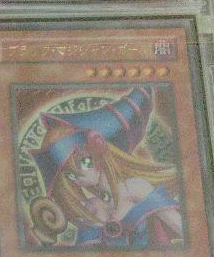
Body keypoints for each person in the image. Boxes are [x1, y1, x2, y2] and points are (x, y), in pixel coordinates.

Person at [28, 86, 183, 248]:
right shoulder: (88, 209)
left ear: (100, 154)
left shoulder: (135, 187)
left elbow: (182, 230)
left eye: (85, 162)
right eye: (70, 175)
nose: (79, 177)